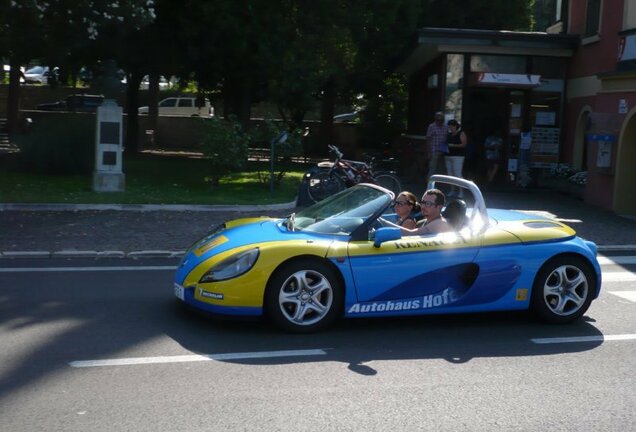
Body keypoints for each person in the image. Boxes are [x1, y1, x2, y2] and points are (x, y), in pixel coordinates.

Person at [382, 189, 452, 236]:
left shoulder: (440, 223)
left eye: (428, 204)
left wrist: (383, 221)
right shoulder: (423, 222)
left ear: (439, 207)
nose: (423, 206)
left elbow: (410, 234)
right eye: (422, 203)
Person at [445, 119, 467, 196]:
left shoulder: (461, 133)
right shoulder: (449, 134)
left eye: (451, 126)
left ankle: (461, 192)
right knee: (450, 175)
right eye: (449, 126)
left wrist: (453, 145)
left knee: (458, 174)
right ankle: (452, 190)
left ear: (455, 126)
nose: (450, 128)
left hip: (458, 156)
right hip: (448, 156)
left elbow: (464, 144)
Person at [425, 112, 449, 181]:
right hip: (434, 150)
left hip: (444, 150)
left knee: (442, 169)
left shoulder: (446, 127)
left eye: (441, 120)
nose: (439, 121)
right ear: (435, 119)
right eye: (438, 120)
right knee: (432, 168)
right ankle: (429, 184)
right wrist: (429, 152)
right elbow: (428, 139)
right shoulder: (431, 126)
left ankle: (441, 184)